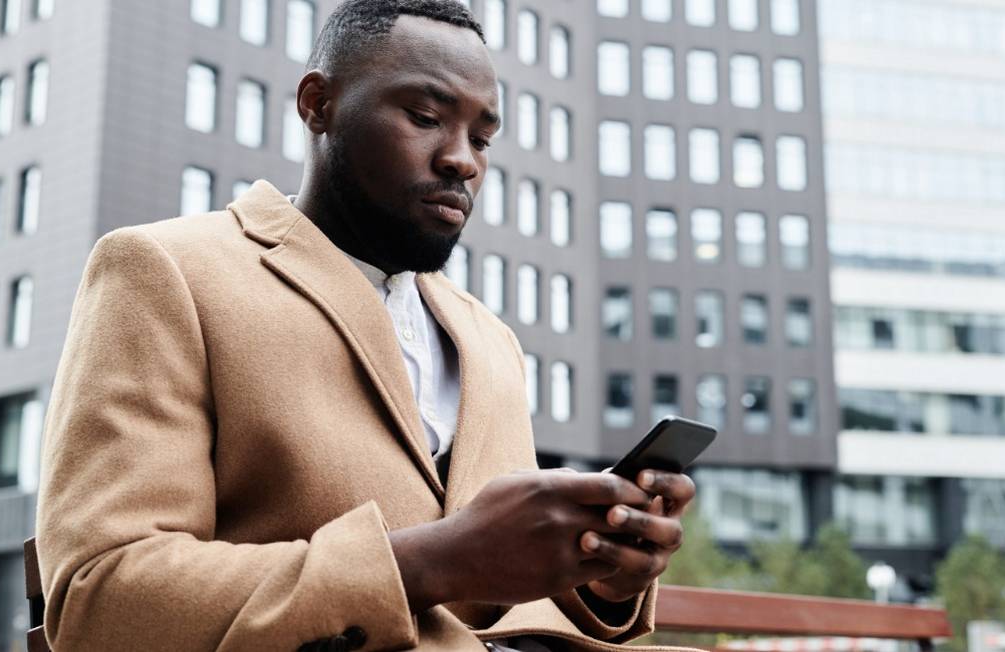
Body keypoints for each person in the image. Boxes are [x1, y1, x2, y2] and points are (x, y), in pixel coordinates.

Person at [35, 1, 698, 650]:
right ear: (318, 104)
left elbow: (493, 601)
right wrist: (427, 563)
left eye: (483, 138)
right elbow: (103, 596)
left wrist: (603, 573)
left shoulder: (491, 339)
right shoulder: (163, 270)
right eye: (425, 117)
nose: (463, 160)